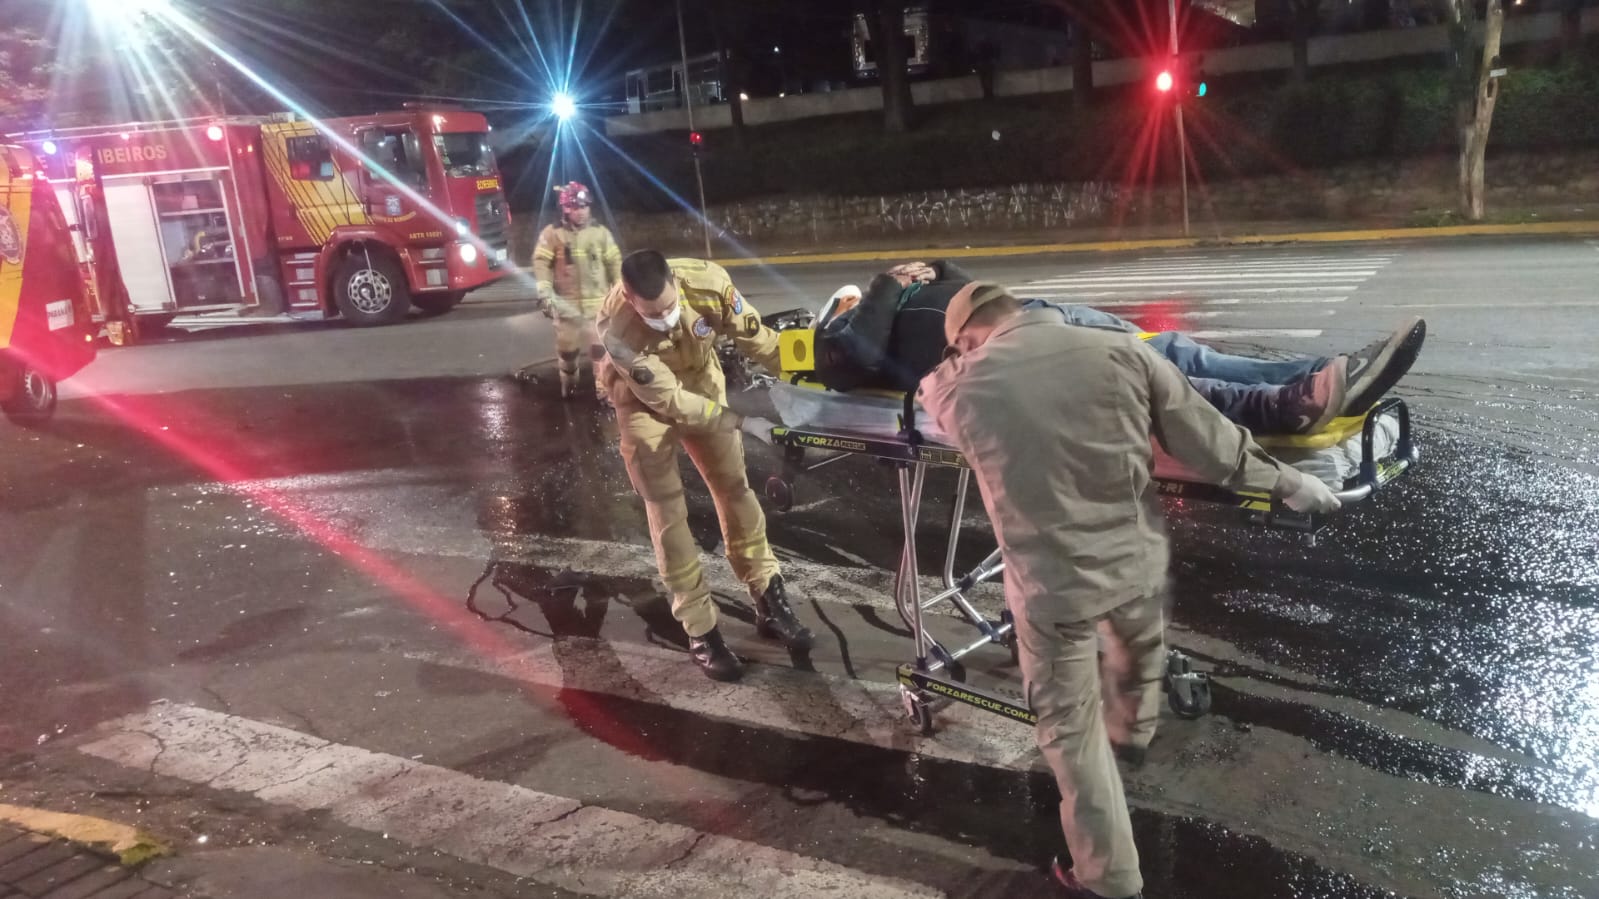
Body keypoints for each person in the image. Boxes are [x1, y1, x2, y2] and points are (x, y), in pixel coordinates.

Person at [919, 282, 1342, 899]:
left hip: (1052, 587)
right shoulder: (1120, 350)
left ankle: (1107, 879)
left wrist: (956, 359)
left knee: (1069, 730)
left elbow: (928, 388)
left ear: (966, 337)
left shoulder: (961, 384)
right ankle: (1134, 740)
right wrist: (1292, 485)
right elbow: (1213, 445)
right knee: (1137, 650)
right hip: (1134, 561)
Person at [818, 260, 1426, 435]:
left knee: (1176, 351)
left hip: (1035, 313)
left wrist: (933, 265)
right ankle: (1285, 405)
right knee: (1148, 373)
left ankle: (1331, 372)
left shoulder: (899, 301)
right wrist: (884, 284)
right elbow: (859, 359)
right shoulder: (842, 339)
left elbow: (961, 286)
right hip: (1018, 344)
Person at [597, 250, 813, 681]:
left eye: (669, 306)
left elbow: (764, 341)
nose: (665, 318)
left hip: (702, 381)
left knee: (735, 490)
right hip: (645, 406)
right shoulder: (616, 326)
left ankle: (768, 600)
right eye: (652, 314)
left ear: (675, 282)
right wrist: (743, 420)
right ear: (628, 296)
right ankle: (701, 630)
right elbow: (671, 402)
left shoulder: (709, 284)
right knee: (668, 511)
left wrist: (818, 372)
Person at [524, 181, 623, 401]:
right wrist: (545, 291)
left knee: (600, 352)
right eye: (576, 207)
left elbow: (614, 262)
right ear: (565, 208)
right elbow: (541, 262)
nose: (581, 212)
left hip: (598, 306)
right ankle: (569, 384)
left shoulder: (600, 234)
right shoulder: (553, 234)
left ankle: (603, 392)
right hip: (566, 306)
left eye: (584, 207)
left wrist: (619, 292)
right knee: (567, 352)